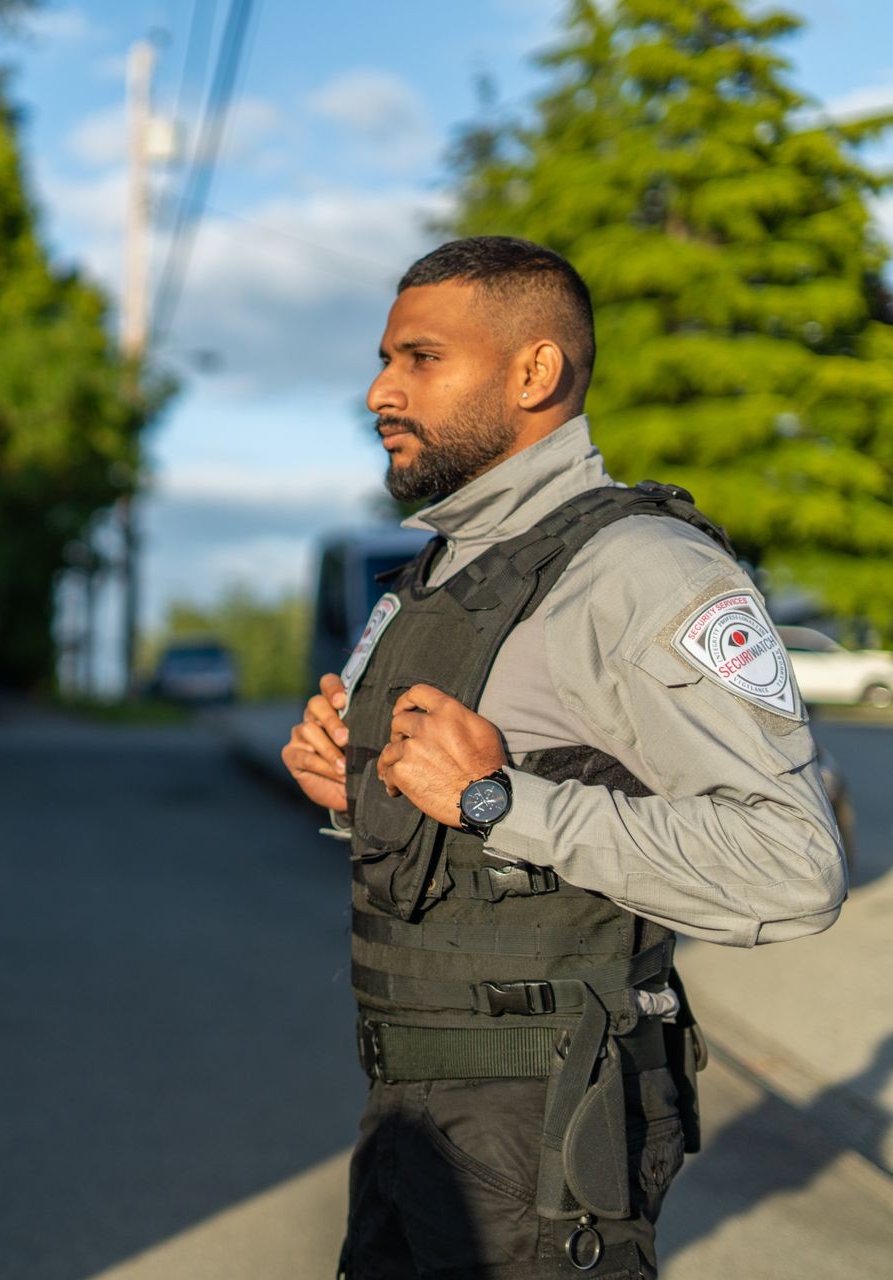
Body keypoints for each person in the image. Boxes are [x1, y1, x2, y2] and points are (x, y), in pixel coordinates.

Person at [281, 236, 847, 1279]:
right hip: (410, 1114)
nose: (378, 390)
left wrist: (497, 795)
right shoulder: (437, 571)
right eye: (384, 358)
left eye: (419, 358)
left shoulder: (643, 569)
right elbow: (465, 845)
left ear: (534, 372)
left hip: (545, 1137)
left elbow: (792, 865)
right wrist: (359, 793)